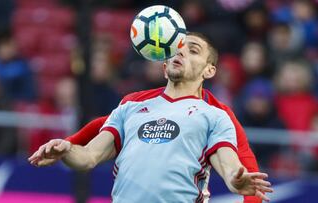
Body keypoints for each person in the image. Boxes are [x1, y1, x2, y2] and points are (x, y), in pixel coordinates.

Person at [29, 32, 273, 202]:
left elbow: (231, 167)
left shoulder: (215, 116)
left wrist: (236, 182)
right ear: (164, 65)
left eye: (193, 50)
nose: (181, 53)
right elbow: (88, 157)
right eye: (176, 49)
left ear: (209, 70)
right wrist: (67, 149)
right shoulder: (131, 105)